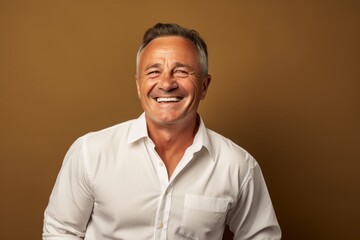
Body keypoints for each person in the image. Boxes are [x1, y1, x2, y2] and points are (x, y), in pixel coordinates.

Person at [43, 23, 281, 240]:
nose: (166, 83)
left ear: (205, 86)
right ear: (139, 86)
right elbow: (61, 230)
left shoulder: (238, 166)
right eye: (154, 72)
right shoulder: (90, 153)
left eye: (181, 71)